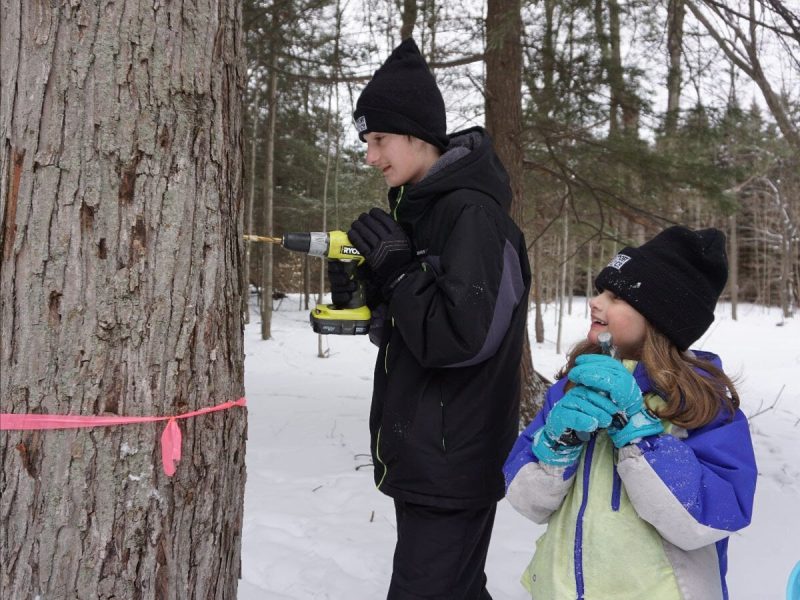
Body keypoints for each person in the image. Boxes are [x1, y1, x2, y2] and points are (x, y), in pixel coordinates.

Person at [329, 38, 531, 599]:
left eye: (379, 139)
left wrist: (398, 272)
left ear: (420, 135)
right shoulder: (425, 209)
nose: (370, 156)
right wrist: (367, 288)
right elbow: (404, 334)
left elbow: (462, 338)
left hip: (453, 455)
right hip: (429, 453)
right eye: (366, 142)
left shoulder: (472, 215)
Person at [503, 225, 758, 600]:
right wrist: (556, 445)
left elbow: (711, 518)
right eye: (600, 290)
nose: (596, 301)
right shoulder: (571, 386)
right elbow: (528, 501)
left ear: (661, 317)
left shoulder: (702, 403)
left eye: (616, 296)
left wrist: (639, 432)